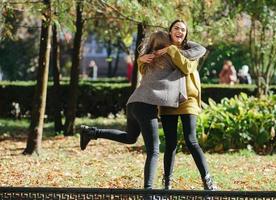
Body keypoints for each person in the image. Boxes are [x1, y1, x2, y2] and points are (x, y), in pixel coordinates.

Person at [79, 30, 202, 190]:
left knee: (130, 137)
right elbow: (196, 53)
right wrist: (175, 47)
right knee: (154, 150)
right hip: (145, 105)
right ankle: (148, 190)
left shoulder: (148, 60)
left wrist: (140, 59)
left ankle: (92, 132)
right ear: (167, 45)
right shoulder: (170, 59)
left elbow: (144, 66)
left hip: (133, 103)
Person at [141, 19, 217, 190]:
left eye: (183, 29)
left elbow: (187, 68)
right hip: (168, 100)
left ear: (186, 34)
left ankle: (208, 180)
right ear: (170, 31)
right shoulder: (160, 50)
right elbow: (147, 71)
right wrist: (141, 60)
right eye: (176, 28)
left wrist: (172, 50)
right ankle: (167, 183)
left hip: (188, 99)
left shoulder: (191, 51)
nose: (180, 31)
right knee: (170, 143)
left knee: (191, 140)